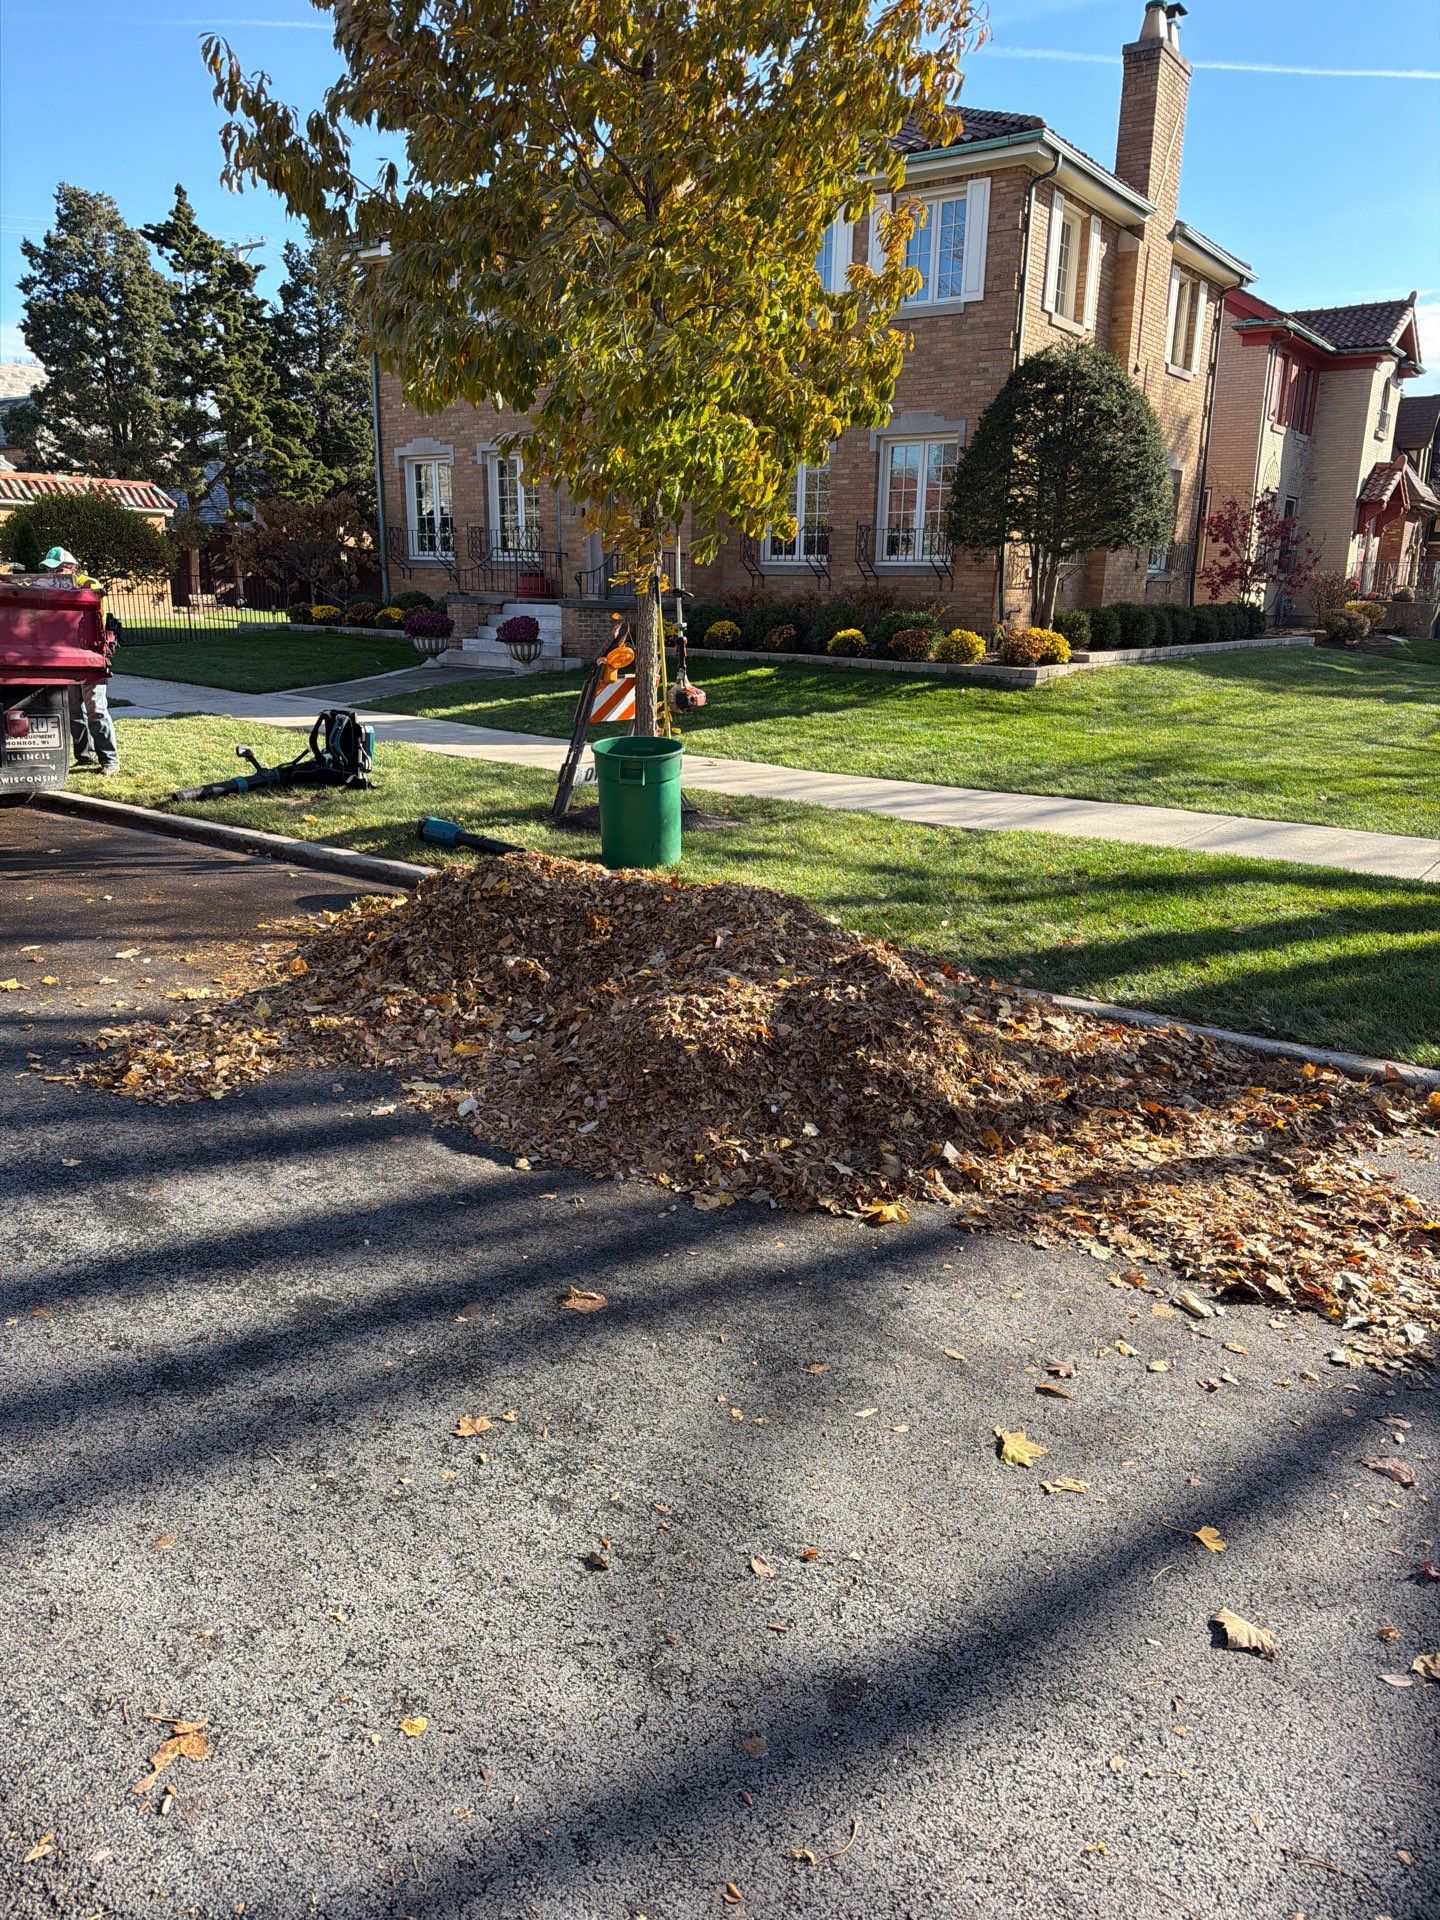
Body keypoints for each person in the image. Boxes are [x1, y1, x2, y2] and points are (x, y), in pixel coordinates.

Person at [41, 547, 120, 776]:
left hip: (89, 656)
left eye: (58, 569)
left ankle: (109, 760)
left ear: (72, 568)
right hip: (66, 656)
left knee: (96, 709)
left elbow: (93, 600)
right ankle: (84, 755)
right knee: (74, 709)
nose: (53, 574)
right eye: (50, 570)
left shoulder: (89, 584)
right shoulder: (53, 587)